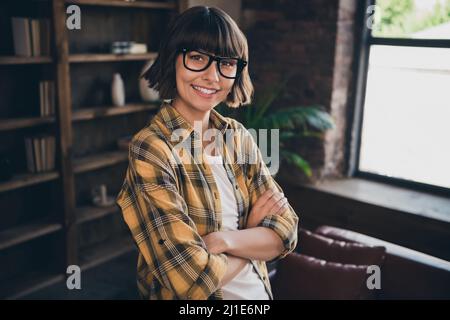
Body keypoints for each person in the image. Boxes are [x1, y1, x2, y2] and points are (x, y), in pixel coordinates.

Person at [116, 5, 298, 300]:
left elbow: (286, 234)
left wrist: (223, 240)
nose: (213, 76)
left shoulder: (237, 137)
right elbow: (189, 281)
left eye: (226, 63)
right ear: (173, 59)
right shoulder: (152, 149)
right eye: (197, 58)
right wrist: (251, 236)